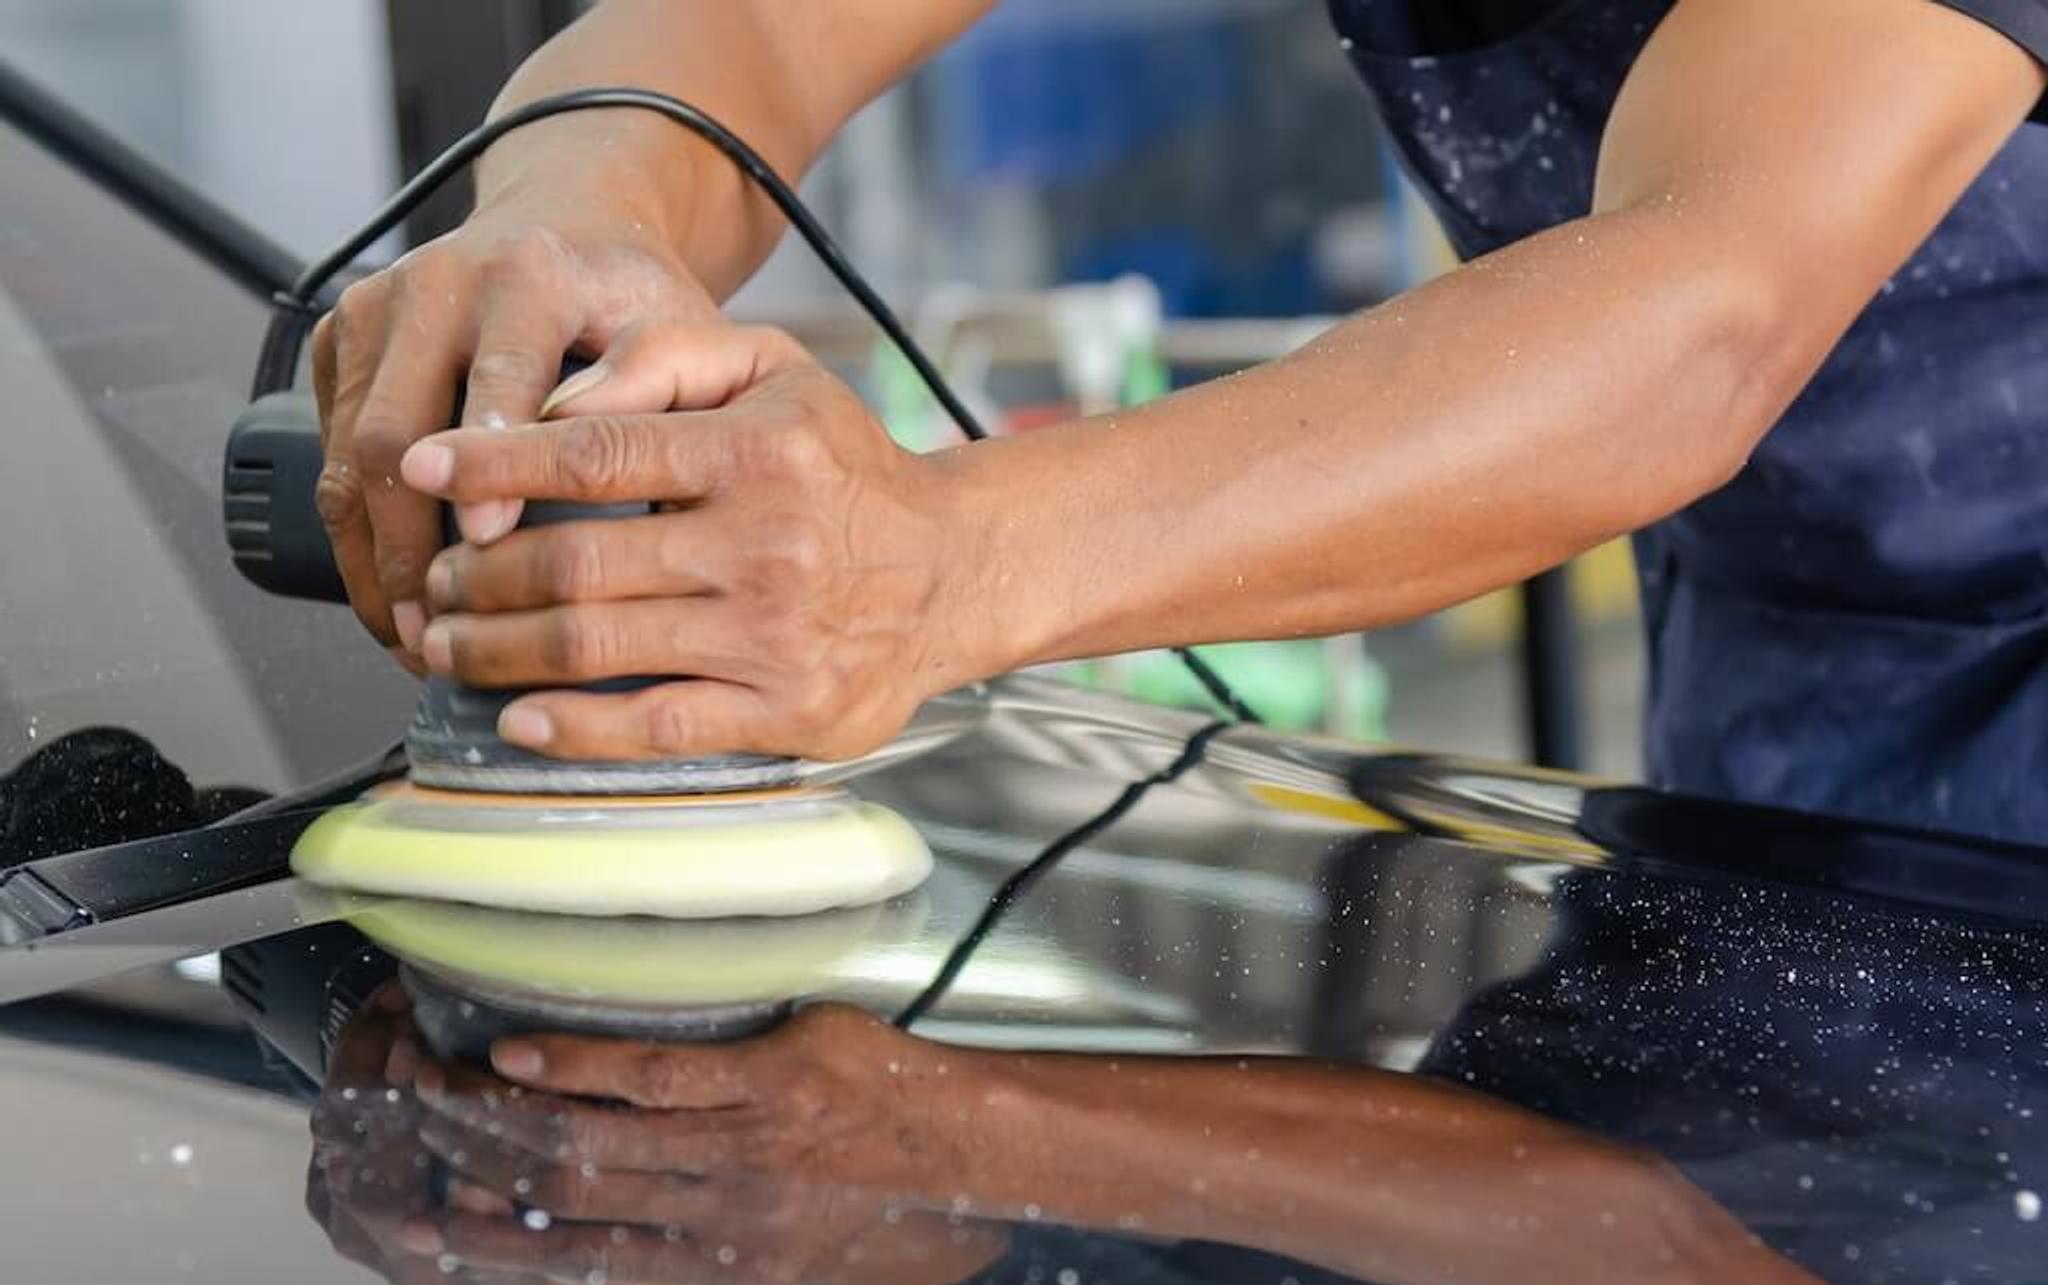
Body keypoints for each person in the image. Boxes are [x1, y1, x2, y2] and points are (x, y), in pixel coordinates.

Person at [312, 0, 2048, 842]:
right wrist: (567, 209)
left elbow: (1699, 312)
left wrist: (936, 562)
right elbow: (749, 29)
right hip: (1790, 634)